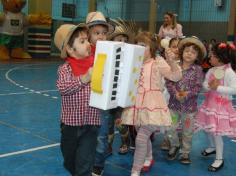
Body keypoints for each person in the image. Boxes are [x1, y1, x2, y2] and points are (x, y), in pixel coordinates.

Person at [121, 31, 182, 176]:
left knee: (141, 137)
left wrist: (172, 62)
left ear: (152, 47)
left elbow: (175, 76)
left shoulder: (157, 61)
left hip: (153, 105)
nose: (140, 48)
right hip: (136, 105)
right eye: (137, 45)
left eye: (144, 45)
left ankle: (135, 170)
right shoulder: (134, 62)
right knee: (141, 134)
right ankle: (148, 157)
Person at [54, 23, 100, 176]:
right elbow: (63, 88)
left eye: (87, 40)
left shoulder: (97, 65)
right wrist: (84, 78)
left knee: (84, 163)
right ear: (69, 49)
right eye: (82, 41)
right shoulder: (65, 69)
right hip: (70, 126)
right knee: (69, 160)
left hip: (91, 123)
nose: (88, 44)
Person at [195, 42, 236, 172]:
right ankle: (212, 147)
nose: (210, 58)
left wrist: (217, 87)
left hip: (221, 108)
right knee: (207, 129)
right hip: (209, 105)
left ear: (220, 58)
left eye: (212, 56)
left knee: (216, 133)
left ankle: (219, 158)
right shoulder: (212, 70)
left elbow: (234, 89)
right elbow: (205, 84)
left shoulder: (229, 72)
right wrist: (208, 86)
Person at [165, 36, 205, 164]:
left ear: (197, 56)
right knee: (171, 127)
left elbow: (198, 87)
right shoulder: (175, 66)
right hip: (173, 106)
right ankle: (175, 145)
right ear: (182, 52)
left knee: (187, 131)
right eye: (187, 50)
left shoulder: (198, 70)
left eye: (193, 52)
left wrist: (186, 95)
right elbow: (169, 81)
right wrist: (175, 93)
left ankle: (185, 152)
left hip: (189, 109)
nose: (189, 54)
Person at [86, 11, 115, 176]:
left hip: (102, 100)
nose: (101, 36)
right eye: (96, 33)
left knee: (101, 134)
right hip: (85, 100)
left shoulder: (110, 51)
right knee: (85, 134)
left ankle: (98, 164)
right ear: (88, 34)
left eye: (104, 33)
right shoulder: (82, 51)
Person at [107, 18, 137, 155]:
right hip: (108, 96)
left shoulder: (129, 57)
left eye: (125, 40)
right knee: (107, 124)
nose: (123, 43)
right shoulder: (106, 55)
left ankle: (126, 141)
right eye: (119, 40)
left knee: (120, 122)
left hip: (121, 97)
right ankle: (108, 146)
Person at [160, 37, 181, 151]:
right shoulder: (164, 63)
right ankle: (167, 138)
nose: (177, 49)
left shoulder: (184, 64)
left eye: (179, 46)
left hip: (179, 97)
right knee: (168, 120)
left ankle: (177, 138)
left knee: (177, 121)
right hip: (166, 96)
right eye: (174, 46)